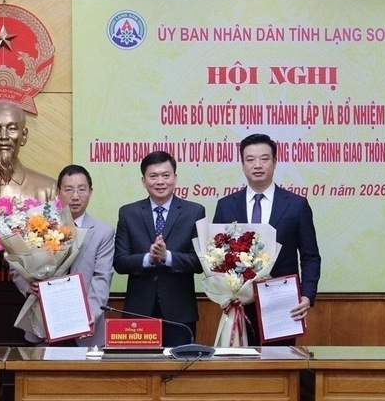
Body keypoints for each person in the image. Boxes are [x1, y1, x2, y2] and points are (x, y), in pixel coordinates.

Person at [212, 133, 321, 346]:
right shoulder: (226, 205)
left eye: (264, 158)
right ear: (242, 165)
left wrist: (307, 296)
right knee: (239, 364)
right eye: (250, 159)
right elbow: (216, 256)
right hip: (239, 304)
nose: (257, 165)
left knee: (279, 363)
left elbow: (310, 256)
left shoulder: (296, 205)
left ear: (275, 162)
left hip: (281, 302)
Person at [14, 165, 116, 347]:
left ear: (90, 192)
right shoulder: (39, 225)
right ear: (57, 192)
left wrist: (91, 313)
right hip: (43, 322)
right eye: (69, 189)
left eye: (82, 189)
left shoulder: (103, 232)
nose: (75, 196)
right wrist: (28, 286)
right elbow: (16, 263)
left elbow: (102, 277)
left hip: (86, 326)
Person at [113, 151, 205, 347]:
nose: (160, 181)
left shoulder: (194, 212)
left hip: (180, 313)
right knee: (139, 365)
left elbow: (199, 262)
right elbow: (119, 262)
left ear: (175, 178)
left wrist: (167, 256)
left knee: (179, 364)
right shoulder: (128, 213)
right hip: (139, 311)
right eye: (153, 176)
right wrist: (149, 258)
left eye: (166, 175)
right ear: (144, 180)